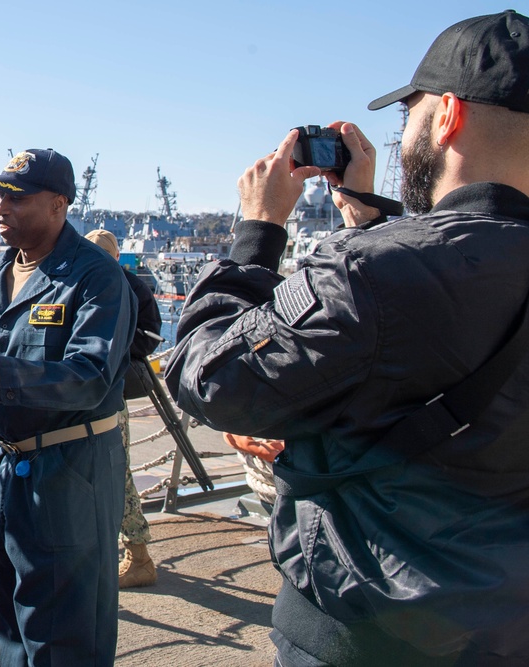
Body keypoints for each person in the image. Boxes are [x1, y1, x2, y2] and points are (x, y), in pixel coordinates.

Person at [165, 10, 529, 665]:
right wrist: (370, 224)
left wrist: (258, 231)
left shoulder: (371, 274)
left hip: (368, 635)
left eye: (409, 115)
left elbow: (206, 377)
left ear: (447, 115)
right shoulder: (383, 265)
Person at [0, 149, 137, 666]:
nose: (2, 206)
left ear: (58, 205)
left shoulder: (97, 277)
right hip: (3, 466)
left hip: (69, 473)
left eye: (17, 196)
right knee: (10, 627)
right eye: (0, 194)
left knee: (64, 638)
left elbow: (89, 378)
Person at [84, 228, 161, 588]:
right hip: (85, 390)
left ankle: (138, 552)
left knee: (116, 471)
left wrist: (114, 348)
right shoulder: (87, 283)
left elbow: (150, 335)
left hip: (109, 391)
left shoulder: (130, 288)